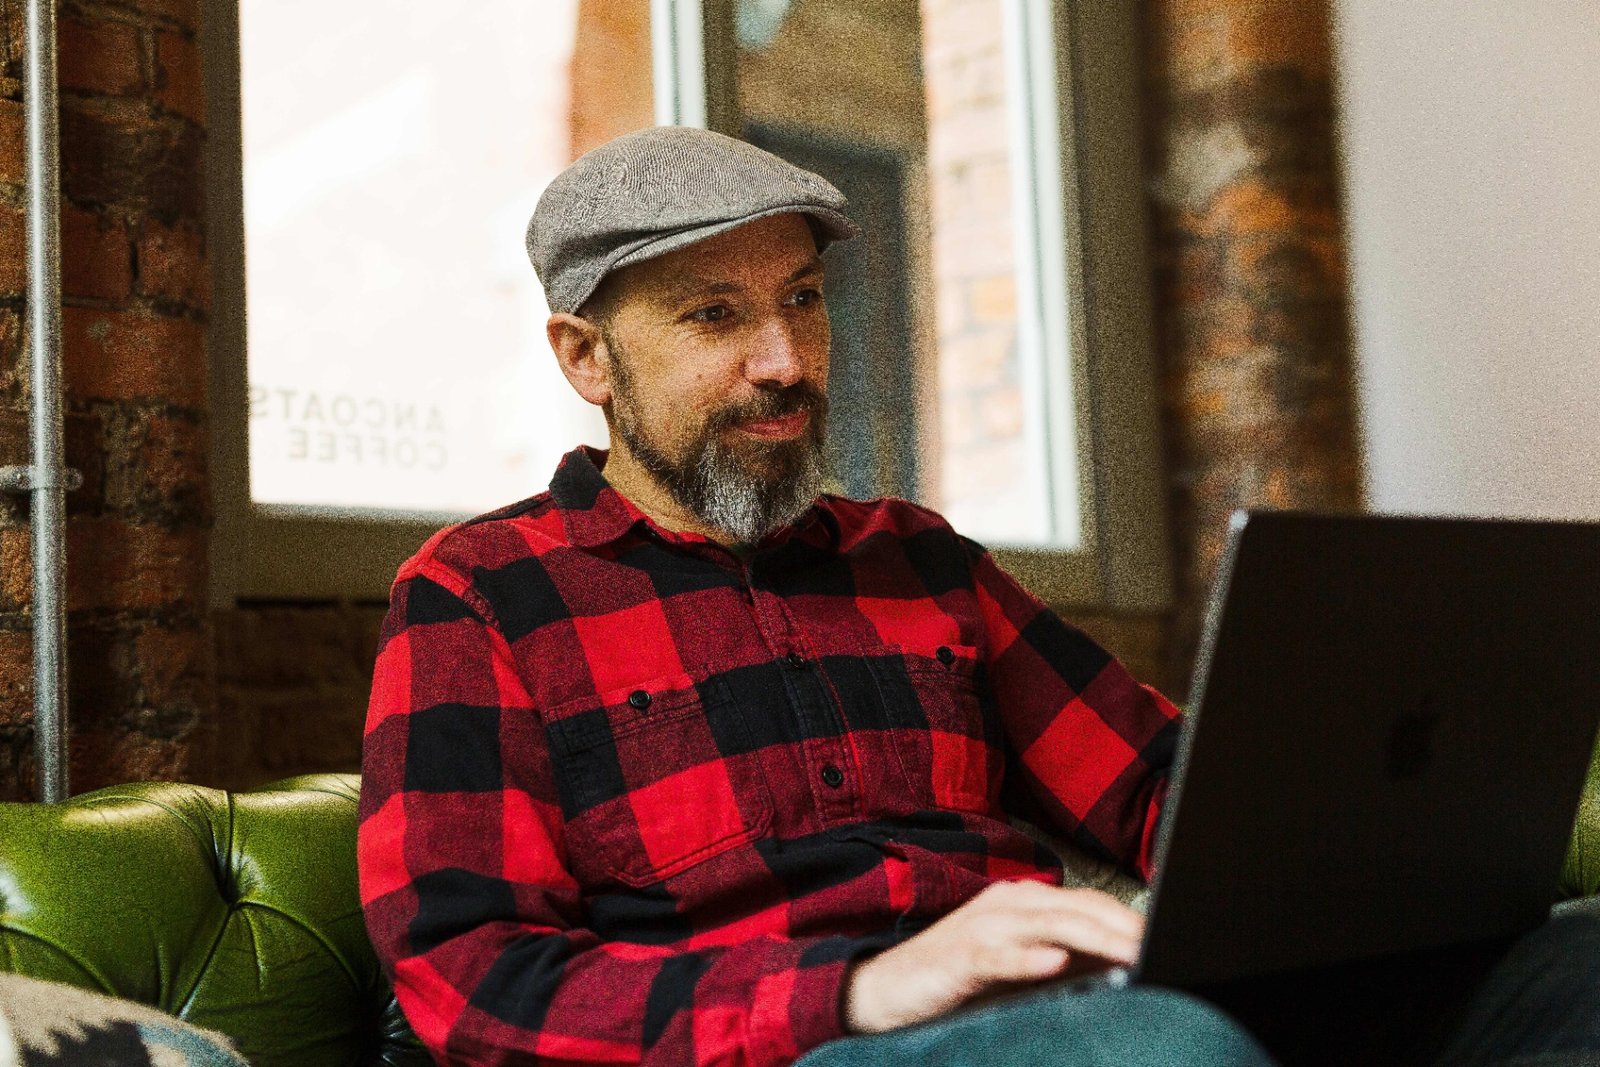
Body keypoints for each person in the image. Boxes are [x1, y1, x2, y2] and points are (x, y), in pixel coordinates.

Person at [357, 126, 1600, 1067]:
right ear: (587, 357)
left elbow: (1166, 788)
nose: (785, 360)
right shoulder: (477, 598)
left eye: (800, 298)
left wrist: (1369, 861)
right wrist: (860, 986)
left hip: (1067, 1008)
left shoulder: (919, 561)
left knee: (1580, 962)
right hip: (811, 1043)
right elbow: (474, 982)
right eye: (714, 316)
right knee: (1162, 1051)